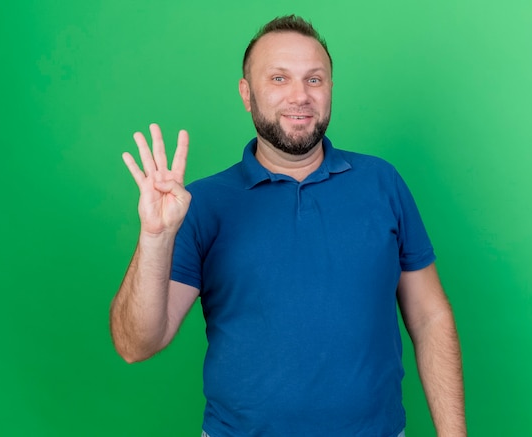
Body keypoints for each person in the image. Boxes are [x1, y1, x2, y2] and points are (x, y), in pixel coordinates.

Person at [110, 15, 466, 437]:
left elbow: (430, 318)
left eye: (314, 80)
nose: (300, 95)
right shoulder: (201, 204)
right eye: (279, 78)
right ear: (247, 93)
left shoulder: (381, 182)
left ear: (330, 88)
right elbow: (136, 345)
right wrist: (155, 236)